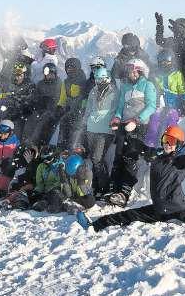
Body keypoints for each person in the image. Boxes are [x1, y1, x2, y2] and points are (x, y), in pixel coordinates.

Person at [105, 58, 158, 206]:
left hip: (139, 126)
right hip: (124, 125)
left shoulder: (148, 85)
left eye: (134, 71)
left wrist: (137, 120)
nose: (131, 73)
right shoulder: (125, 87)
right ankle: (113, 189)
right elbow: (120, 106)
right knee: (118, 156)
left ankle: (124, 193)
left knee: (130, 156)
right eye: (129, 71)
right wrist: (117, 118)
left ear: (140, 71)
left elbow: (152, 106)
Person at [144, 49, 185, 148]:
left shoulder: (177, 74)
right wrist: (157, 93)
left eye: (167, 62)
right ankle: (150, 146)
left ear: (171, 62)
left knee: (171, 120)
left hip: (173, 104)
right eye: (162, 62)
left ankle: (171, 144)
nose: (164, 64)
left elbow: (182, 89)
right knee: (155, 120)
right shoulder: (155, 75)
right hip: (159, 104)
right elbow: (150, 89)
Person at [82, 66, 118, 196]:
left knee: (97, 158)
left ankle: (105, 187)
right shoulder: (93, 91)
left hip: (105, 129)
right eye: (97, 79)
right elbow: (88, 108)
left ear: (107, 79)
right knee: (95, 159)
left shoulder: (114, 91)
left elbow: (116, 110)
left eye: (101, 79)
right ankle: (97, 185)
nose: (99, 82)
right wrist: (85, 122)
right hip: (92, 128)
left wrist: (114, 123)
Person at [22, 62, 63, 146]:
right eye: (47, 74)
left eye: (51, 74)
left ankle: (35, 143)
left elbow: (59, 99)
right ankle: (25, 141)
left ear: (55, 74)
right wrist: (33, 103)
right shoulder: (41, 84)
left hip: (53, 111)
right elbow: (35, 96)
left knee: (42, 122)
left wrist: (50, 103)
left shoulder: (59, 84)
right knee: (31, 119)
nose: (49, 76)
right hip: (40, 109)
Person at [55, 58, 87, 150]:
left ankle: (72, 148)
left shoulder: (83, 82)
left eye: (72, 68)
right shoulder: (66, 82)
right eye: (68, 68)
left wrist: (81, 109)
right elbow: (63, 98)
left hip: (80, 111)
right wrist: (59, 106)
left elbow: (85, 98)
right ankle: (61, 147)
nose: (70, 70)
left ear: (77, 68)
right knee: (64, 121)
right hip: (70, 110)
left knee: (75, 127)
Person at [154, 13, 185, 82]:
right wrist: (159, 25)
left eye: (180, 28)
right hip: (167, 76)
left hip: (181, 78)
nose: (177, 31)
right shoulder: (171, 41)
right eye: (176, 28)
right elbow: (159, 40)